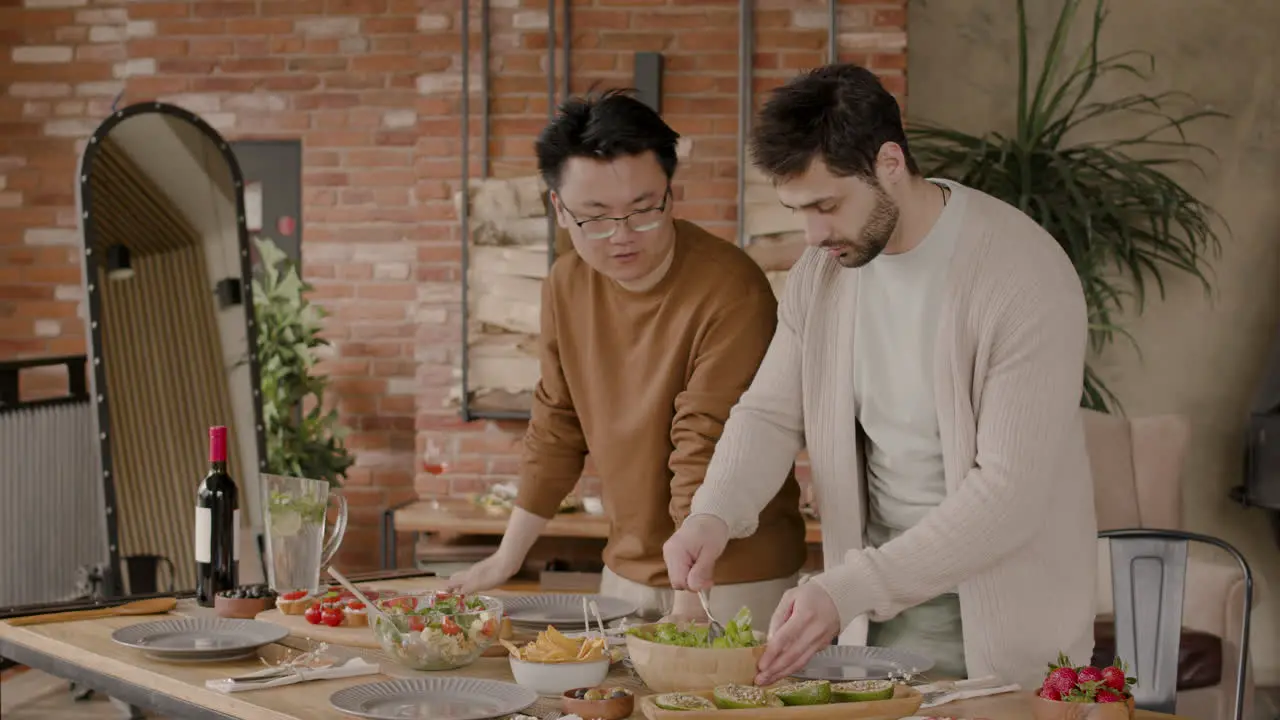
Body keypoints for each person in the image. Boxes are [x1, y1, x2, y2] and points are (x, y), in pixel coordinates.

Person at [662, 64, 1097, 691]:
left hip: (1006, 631)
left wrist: (850, 586)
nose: (813, 234)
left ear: (889, 162)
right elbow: (770, 413)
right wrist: (713, 513)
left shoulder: (1021, 274)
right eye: (797, 210)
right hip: (875, 620)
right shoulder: (825, 272)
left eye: (827, 205)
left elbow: (1009, 494)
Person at [448, 89, 808, 624]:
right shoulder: (565, 284)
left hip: (732, 577)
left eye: (644, 210)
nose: (621, 237)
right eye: (595, 217)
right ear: (559, 208)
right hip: (624, 571)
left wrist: (690, 601)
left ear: (670, 193)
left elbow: (705, 441)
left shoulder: (732, 288)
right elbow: (556, 423)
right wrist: (508, 555)